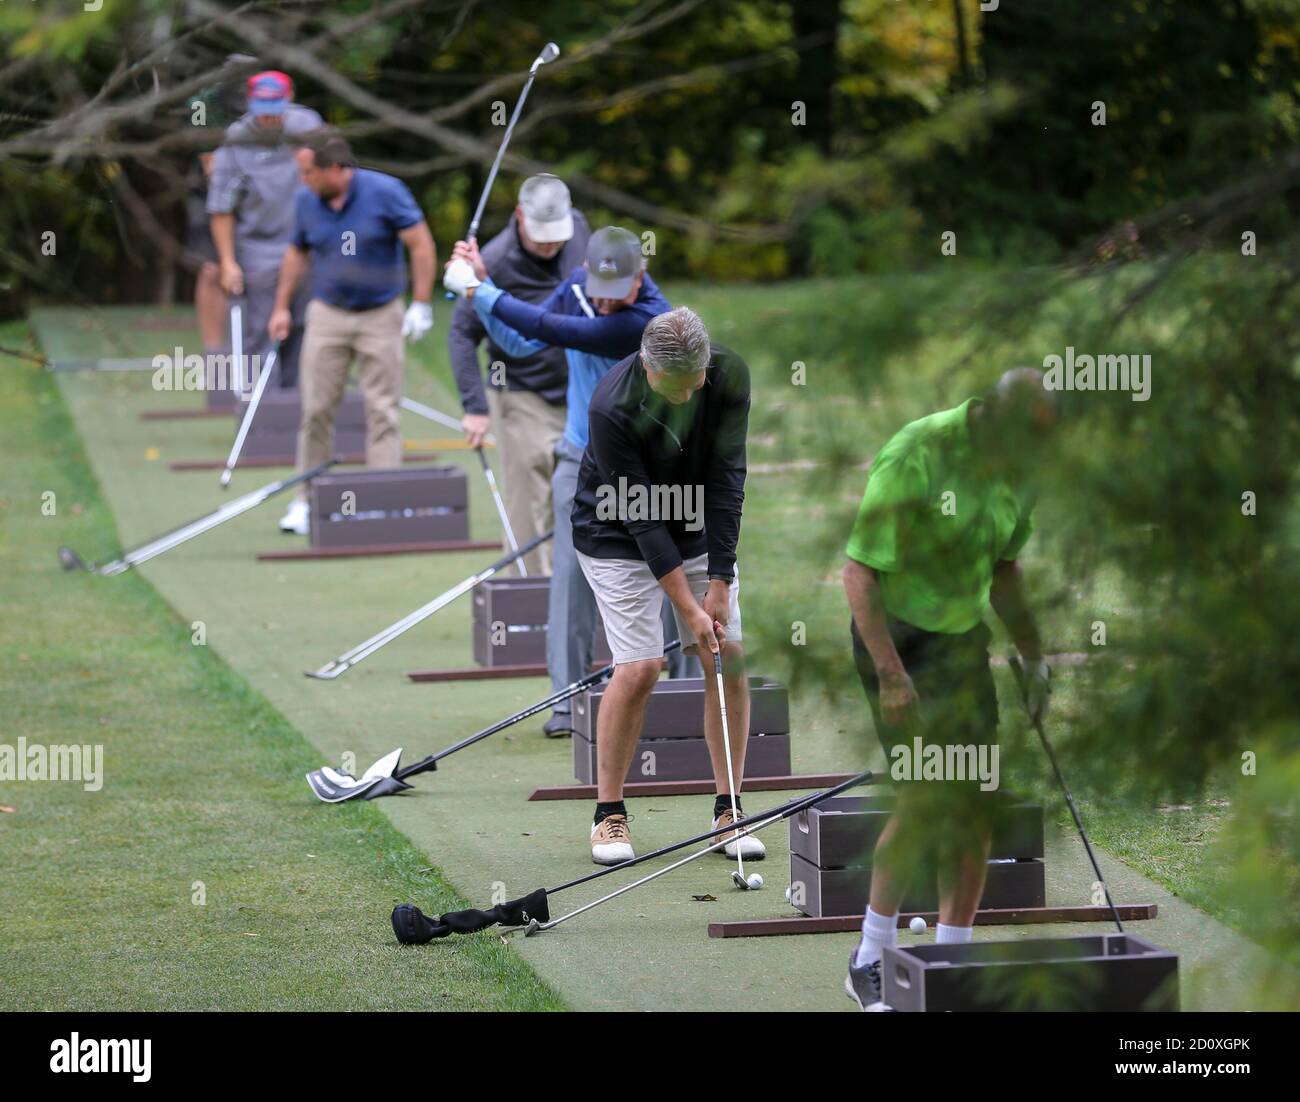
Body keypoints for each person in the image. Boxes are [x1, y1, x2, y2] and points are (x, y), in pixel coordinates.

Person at [841, 367, 1057, 1011]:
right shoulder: (917, 450)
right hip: (894, 639)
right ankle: (869, 959)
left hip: (960, 644)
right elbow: (858, 573)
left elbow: (1005, 567)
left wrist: (1033, 655)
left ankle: (950, 966)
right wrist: (891, 676)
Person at [446, 226, 697, 740]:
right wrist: (483, 288)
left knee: (672, 571)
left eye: (615, 294)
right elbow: (519, 341)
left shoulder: (649, 320)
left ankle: (689, 694)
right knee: (571, 577)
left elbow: (561, 329)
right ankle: (567, 700)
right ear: (585, 272)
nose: (603, 304)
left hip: (653, 466)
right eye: (598, 293)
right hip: (580, 457)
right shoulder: (579, 290)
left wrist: (478, 289)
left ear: (640, 277)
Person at [560, 306, 758, 866]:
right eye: (673, 385)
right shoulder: (611, 404)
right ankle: (608, 813)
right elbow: (643, 520)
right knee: (642, 665)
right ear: (646, 365)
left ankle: (729, 811)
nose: (685, 395)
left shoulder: (728, 377)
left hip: (695, 524)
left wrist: (719, 580)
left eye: (694, 382)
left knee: (728, 654)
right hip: (615, 531)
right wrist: (689, 609)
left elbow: (728, 479)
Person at [269, 129, 437, 534]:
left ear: (335, 169)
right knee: (315, 410)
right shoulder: (306, 201)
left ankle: (382, 499)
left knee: (382, 410)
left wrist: (421, 303)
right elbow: (296, 252)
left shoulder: (386, 192)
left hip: (381, 313)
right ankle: (306, 500)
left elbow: (420, 244)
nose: (303, 180)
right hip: (327, 313)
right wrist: (281, 307)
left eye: (308, 172)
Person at [447, 174, 590, 576]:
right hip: (521, 391)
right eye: (542, 235)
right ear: (520, 216)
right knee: (529, 500)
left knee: (580, 497)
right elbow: (461, 333)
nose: (550, 244)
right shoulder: (494, 261)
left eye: (556, 235)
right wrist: (475, 407)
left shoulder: (578, 229)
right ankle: (529, 594)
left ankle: (578, 596)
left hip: (579, 391)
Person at [208, 70, 323, 392]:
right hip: (259, 247)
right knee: (263, 328)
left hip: (306, 244)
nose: (268, 118)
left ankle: (298, 402)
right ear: (249, 102)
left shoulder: (308, 125)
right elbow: (221, 208)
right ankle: (264, 407)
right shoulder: (236, 139)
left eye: (275, 110)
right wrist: (228, 262)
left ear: (289, 100)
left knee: (305, 325)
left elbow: (332, 178)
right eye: (262, 110)